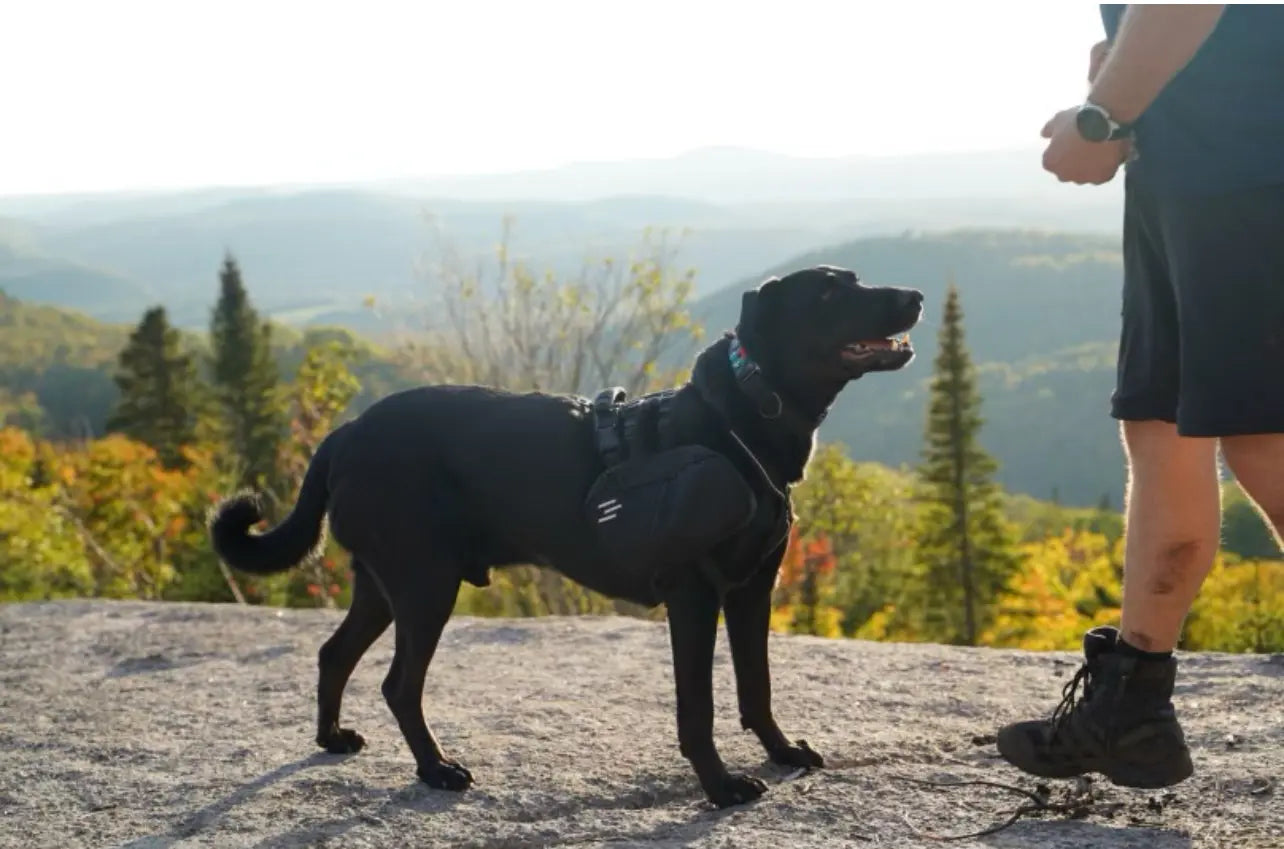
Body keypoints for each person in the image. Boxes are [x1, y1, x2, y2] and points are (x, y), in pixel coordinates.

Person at [996, 3, 1284, 789]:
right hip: (1190, 170)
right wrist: (1121, 76)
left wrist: (1101, 115)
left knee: (1264, 436)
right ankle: (1132, 704)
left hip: (1255, 171)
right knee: (1161, 424)